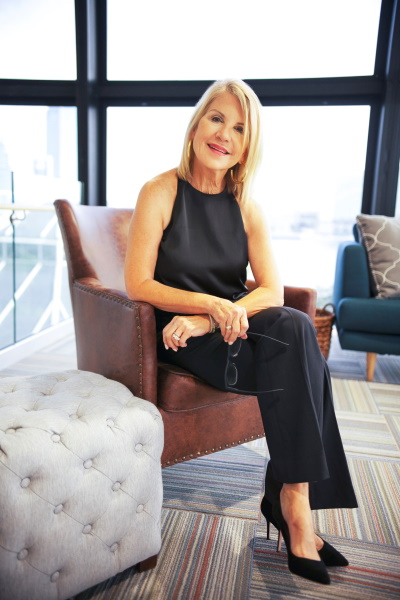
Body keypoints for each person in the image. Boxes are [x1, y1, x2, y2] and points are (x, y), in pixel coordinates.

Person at [124, 79, 357, 585]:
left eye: (239, 128)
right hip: (181, 335)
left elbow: (271, 290)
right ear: (196, 124)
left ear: (248, 146)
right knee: (304, 357)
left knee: (294, 326)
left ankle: (293, 497)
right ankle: (294, 508)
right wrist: (203, 310)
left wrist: (214, 314)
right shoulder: (160, 191)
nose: (224, 135)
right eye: (216, 119)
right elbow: (139, 282)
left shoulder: (246, 203)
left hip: (225, 324)